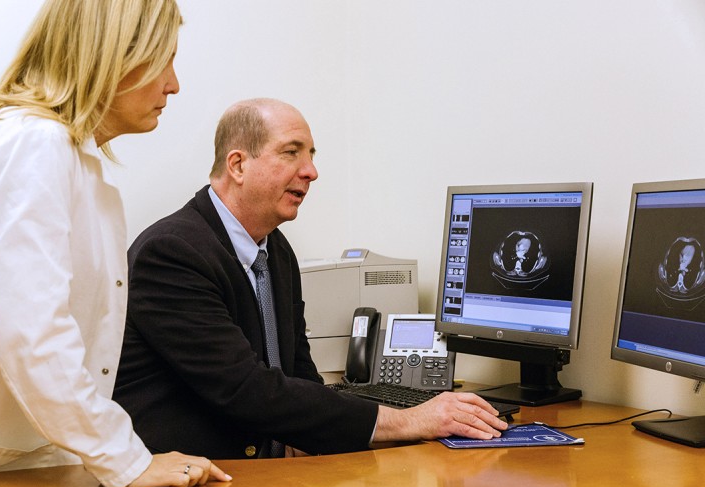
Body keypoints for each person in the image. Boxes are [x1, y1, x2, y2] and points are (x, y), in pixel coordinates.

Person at [0, 0, 230, 487]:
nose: (173, 83)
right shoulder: (32, 143)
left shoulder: (66, 156)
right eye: (162, 59)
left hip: (8, 462)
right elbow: (33, 334)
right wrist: (129, 460)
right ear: (111, 55)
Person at [114, 98, 508, 459]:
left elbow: (299, 374)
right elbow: (246, 391)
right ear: (237, 165)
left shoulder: (276, 251)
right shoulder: (171, 253)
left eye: (311, 155)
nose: (311, 172)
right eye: (291, 153)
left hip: (264, 481)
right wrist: (409, 420)